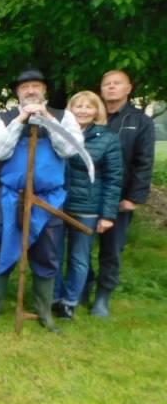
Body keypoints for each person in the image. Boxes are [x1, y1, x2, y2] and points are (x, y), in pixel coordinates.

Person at [0, 68, 83, 332]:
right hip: (11, 198)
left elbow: (70, 149)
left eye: (36, 86)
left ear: (44, 90)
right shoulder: (3, 119)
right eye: (25, 87)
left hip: (49, 200)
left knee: (47, 254)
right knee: (2, 248)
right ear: (17, 92)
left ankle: (44, 312)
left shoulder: (63, 117)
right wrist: (21, 120)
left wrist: (47, 119)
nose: (30, 91)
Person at [53, 91, 122, 320]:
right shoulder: (59, 133)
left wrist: (108, 215)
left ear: (96, 111)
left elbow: (113, 179)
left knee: (79, 257)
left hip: (87, 208)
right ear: (70, 109)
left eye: (88, 106)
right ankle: (54, 297)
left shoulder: (108, 138)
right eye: (78, 106)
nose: (82, 111)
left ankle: (70, 302)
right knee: (53, 254)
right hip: (58, 204)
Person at [92, 69, 155, 317]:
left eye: (117, 83)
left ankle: (103, 296)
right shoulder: (91, 116)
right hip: (89, 194)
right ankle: (82, 288)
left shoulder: (140, 121)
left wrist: (134, 197)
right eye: (107, 83)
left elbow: (144, 162)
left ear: (128, 89)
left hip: (119, 196)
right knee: (81, 246)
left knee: (112, 248)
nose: (111, 87)